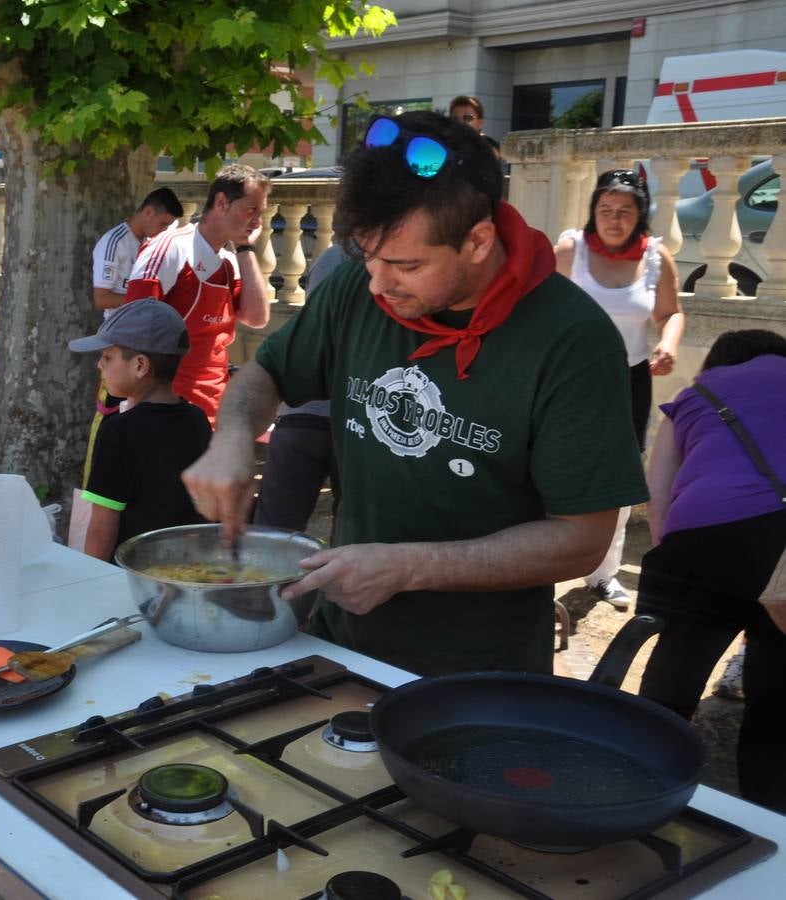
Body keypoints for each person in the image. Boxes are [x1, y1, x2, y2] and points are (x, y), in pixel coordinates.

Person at [182, 111, 648, 677]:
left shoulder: (571, 342)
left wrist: (411, 567)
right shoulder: (360, 288)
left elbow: (582, 539)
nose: (379, 283)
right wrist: (231, 436)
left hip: (478, 670)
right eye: (368, 256)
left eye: (405, 265)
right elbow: (266, 375)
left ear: (478, 240)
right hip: (340, 644)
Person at [635, 329, 786, 814]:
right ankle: (771, 818)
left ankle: (641, 790)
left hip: (707, 535)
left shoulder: (696, 393)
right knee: (778, 694)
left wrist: (682, 577)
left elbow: (657, 498)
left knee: (674, 676)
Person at [555, 169, 684, 609]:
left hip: (628, 379)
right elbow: (534, 306)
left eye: (624, 212)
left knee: (619, 477)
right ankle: (537, 566)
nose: (613, 220)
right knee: (550, 464)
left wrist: (667, 344)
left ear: (640, 214)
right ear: (593, 212)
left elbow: (670, 313)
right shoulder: (570, 250)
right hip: (567, 378)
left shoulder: (655, 257)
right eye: (605, 210)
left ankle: (603, 574)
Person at [124, 164, 271, 425]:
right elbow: (131, 329)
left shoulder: (230, 262)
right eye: (251, 210)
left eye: (261, 212)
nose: (258, 222)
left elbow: (257, 318)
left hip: (214, 412)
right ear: (222, 202)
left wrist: (245, 249)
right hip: (167, 413)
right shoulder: (170, 248)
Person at [70, 300, 211, 561]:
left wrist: (90, 578)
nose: (100, 364)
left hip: (132, 575)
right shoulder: (198, 419)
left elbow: (102, 527)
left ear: (140, 365)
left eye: (107, 356)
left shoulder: (117, 430)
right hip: (187, 567)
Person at [80, 187, 184, 484]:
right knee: (109, 416)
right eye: (163, 224)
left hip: (145, 344)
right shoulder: (114, 241)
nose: (165, 232)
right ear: (148, 212)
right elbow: (101, 298)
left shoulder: (150, 244)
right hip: (118, 344)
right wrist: (145, 302)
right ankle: (94, 488)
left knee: (140, 414)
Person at [252, 244, 349, 536]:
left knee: (271, 533)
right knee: (349, 534)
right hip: (336, 418)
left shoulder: (334, 256)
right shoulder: (345, 259)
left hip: (306, 416)